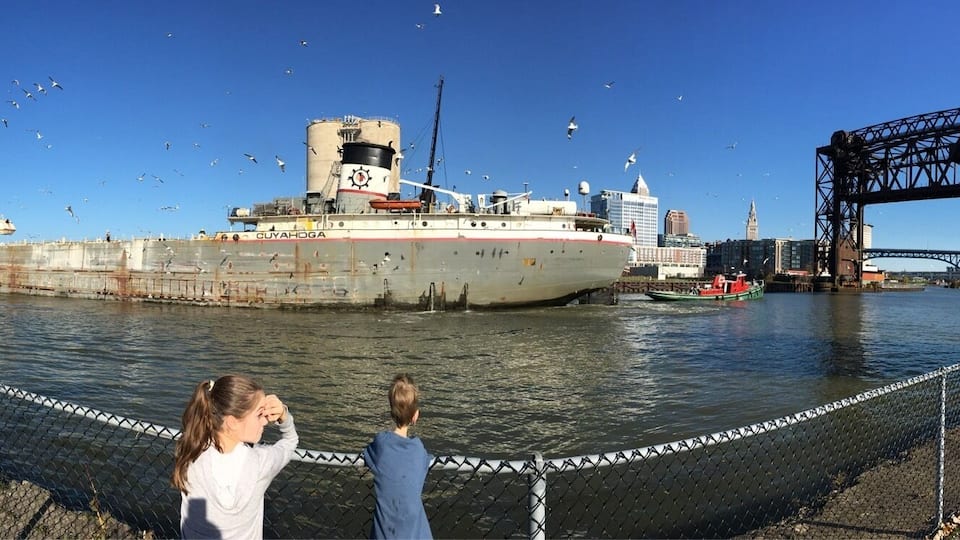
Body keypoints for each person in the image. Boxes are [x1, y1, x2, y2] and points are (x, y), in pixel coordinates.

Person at [172, 375, 298, 539]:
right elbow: (291, 441)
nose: (265, 421)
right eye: (259, 414)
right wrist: (283, 416)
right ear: (232, 422)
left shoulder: (190, 452)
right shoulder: (260, 463)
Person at [363, 374, 434, 539]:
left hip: (385, 534)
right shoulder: (418, 449)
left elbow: (368, 455)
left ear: (391, 411)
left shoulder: (381, 445)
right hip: (415, 533)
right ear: (415, 415)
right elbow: (424, 461)